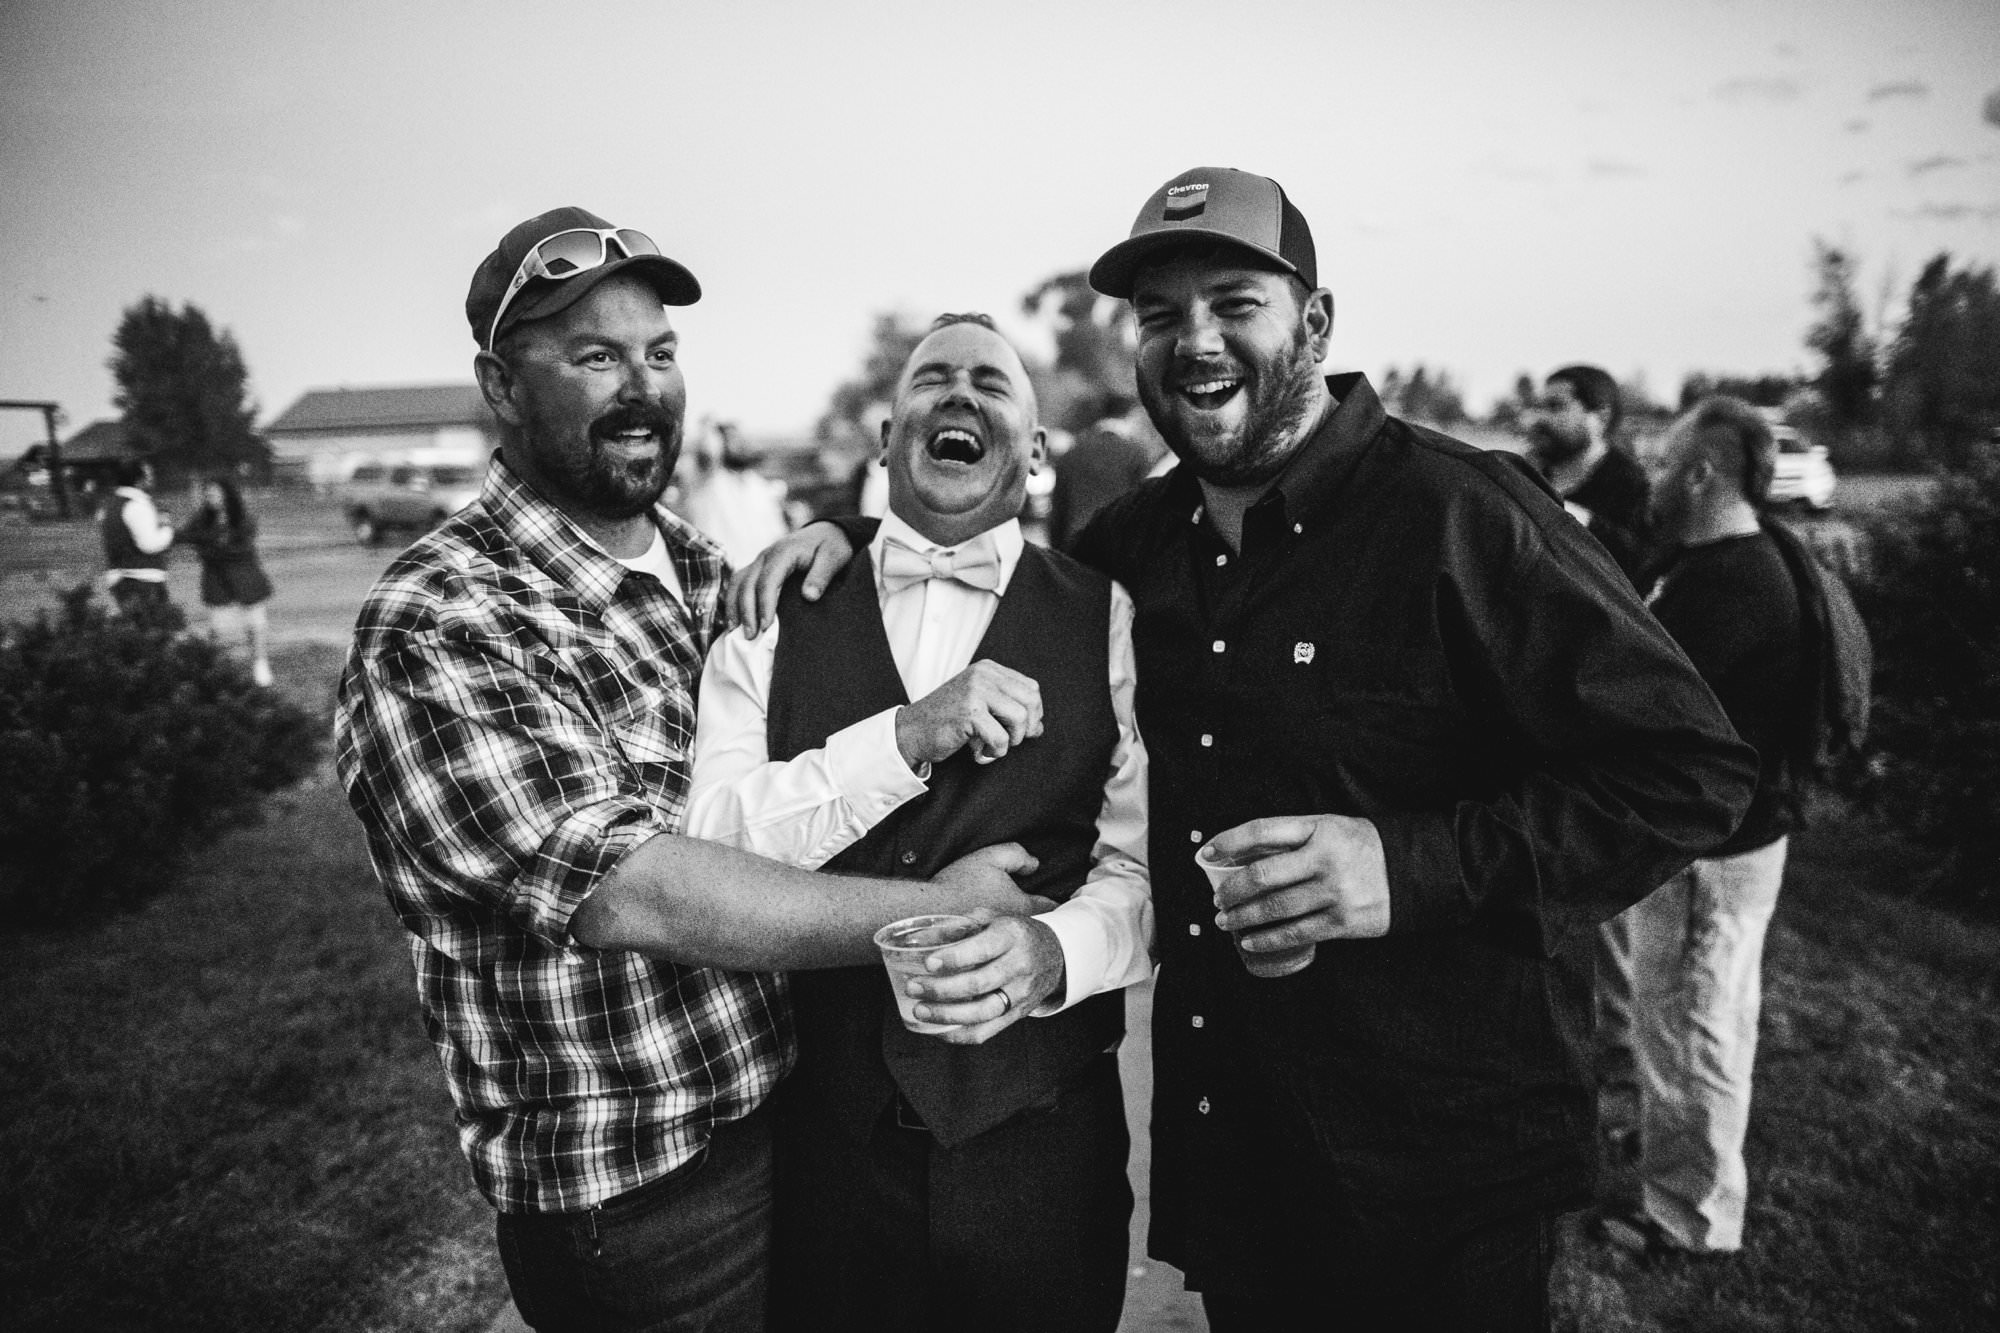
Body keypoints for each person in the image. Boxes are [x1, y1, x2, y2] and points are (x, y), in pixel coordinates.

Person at [732, 167, 1757, 1330]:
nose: (1194, 341)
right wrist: (850, 537)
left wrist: (1406, 866)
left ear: (1313, 323)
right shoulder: (1134, 550)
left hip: (1441, 1180)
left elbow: (1691, 770)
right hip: (1244, 1163)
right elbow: (987, 567)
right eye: (1161, 318)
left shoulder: (1463, 514)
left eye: (1233, 303)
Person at [333, 207, 1044, 1333]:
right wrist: (931, 919)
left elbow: (807, 771)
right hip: (639, 1191)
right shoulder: (443, 618)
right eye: (594, 355)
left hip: (791, 1124)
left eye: (659, 354)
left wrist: (854, 547)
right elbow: (634, 889)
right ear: (501, 385)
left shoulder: (717, 574)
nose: (641, 386)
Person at [686, 312, 1152, 1333]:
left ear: (1033, 455)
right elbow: (708, 844)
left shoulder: (1108, 617)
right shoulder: (774, 606)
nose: (957, 392)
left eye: (990, 382)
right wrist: (903, 736)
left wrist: (1050, 949)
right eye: (930, 378)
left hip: (1042, 1146)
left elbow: (1141, 867)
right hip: (827, 1150)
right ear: (887, 434)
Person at [1594, 397, 1808, 1259]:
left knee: (1693, 1027)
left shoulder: (1735, 585)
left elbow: (1643, 706)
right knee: (1689, 1021)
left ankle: (1689, 1219)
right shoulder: (1721, 564)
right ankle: (1675, 1166)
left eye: (1661, 463)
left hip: (1714, 854)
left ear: (1701, 473)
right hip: (1718, 845)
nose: (1649, 478)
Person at [1519, 363, 1659, 1144]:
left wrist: (1572, 518)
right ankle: (1571, 1073)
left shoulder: (1627, 490)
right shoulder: (1529, 475)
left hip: (1603, 723)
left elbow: (1639, 580)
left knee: (1613, 926)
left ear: (1599, 417)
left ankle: (1628, 1096)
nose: (1538, 413)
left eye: (1557, 403)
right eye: (1538, 400)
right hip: (1539, 721)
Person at [1521, 364, 1654, 584]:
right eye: (1540, 407)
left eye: (1555, 407)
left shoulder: (1632, 485)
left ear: (1601, 417)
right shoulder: (1528, 472)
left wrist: (1578, 520)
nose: (1540, 418)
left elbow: (1639, 564)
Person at [180, 477, 276, 686]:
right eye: (208, 495)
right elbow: (187, 536)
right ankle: (219, 670)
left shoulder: (241, 517)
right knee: (219, 627)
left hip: (246, 577)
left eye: (214, 494)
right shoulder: (202, 519)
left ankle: (260, 664)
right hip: (216, 579)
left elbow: (239, 546)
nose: (210, 498)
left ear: (226, 495)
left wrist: (210, 546)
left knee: (256, 623)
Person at [1046, 394, 1168, 550]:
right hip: (1116, 545)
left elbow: (1058, 509)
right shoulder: (1134, 454)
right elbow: (1144, 506)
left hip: (1073, 544)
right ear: (1130, 415)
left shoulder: (1073, 451)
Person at [673, 420, 791, 567]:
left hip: (759, 572)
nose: (741, 443)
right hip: (720, 572)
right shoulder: (703, 479)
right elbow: (707, 453)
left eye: (741, 437)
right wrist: (708, 428)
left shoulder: (757, 484)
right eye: (732, 438)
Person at [99, 457, 174, 612]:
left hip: (121, 578)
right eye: (149, 475)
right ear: (139, 480)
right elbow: (149, 545)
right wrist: (167, 528)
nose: (152, 478)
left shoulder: (110, 505)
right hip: (143, 579)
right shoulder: (137, 504)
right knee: (156, 630)